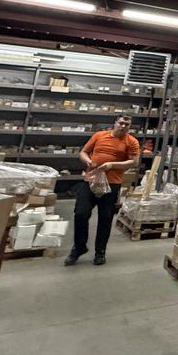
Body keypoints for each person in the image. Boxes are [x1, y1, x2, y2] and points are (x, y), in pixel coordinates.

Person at [65, 113, 140, 266]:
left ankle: (100, 252)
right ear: (115, 122)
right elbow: (83, 152)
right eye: (121, 123)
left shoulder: (131, 141)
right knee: (80, 213)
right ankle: (79, 247)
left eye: (126, 124)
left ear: (129, 127)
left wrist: (112, 165)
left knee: (105, 219)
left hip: (112, 184)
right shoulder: (99, 135)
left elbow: (134, 162)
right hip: (91, 181)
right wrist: (88, 161)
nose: (123, 126)